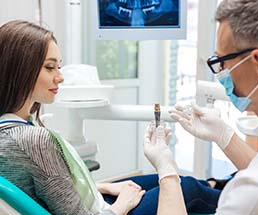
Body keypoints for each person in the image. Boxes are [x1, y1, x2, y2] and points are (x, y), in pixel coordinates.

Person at [0, 20, 224, 215]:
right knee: (188, 188)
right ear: (20, 69)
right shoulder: (33, 140)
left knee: (165, 181)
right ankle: (236, 196)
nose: (60, 77)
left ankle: (218, 185)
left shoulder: (10, 127)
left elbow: (48, 190)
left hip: (89, 202)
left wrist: (104, 187)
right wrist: (123, 204)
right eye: (50, 68)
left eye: (59, 67)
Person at [144, 0, 258, 214]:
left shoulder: (255, 192)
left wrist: (166, 171)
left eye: (222, 61)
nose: (220, 72)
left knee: (189, 188)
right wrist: (224, 135)